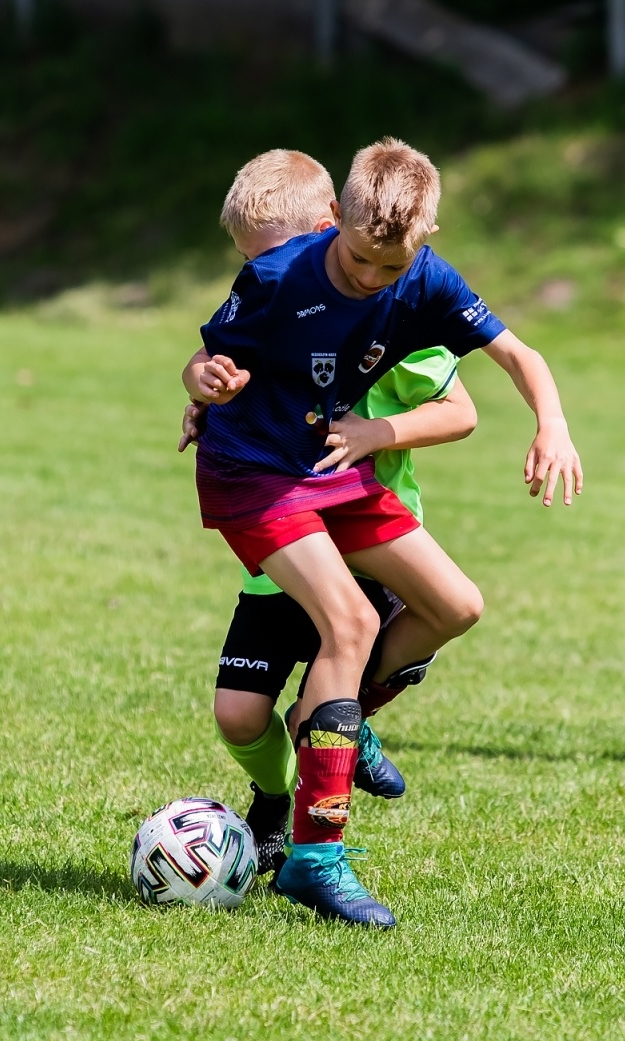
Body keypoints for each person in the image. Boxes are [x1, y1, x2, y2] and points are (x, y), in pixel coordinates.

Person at [190, 138, 582, 926]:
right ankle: (315, 857)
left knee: (456, 606)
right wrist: (205, 382)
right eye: (360, 260)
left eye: (390, 267)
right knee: (354, 620)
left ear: (423, 239)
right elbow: (208, 361)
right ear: (340, 221)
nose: (372, 278)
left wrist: (554, 425)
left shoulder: (428, 279)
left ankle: (340, 717)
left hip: (333, 467)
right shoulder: (277, 274)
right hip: (253, 473)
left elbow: (520, 355)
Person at [179, 149, 477, 877]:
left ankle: (326, 795)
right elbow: (227, 364)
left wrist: (379, 432)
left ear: (326, 229)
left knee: (354, 647)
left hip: (364, 527)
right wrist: (207, 398)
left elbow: (460, 410)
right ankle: (276, 795)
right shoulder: (280, 294)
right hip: (280, 525)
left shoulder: (389, 302)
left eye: (270, 256)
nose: (262, 275)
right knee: (240, 715)